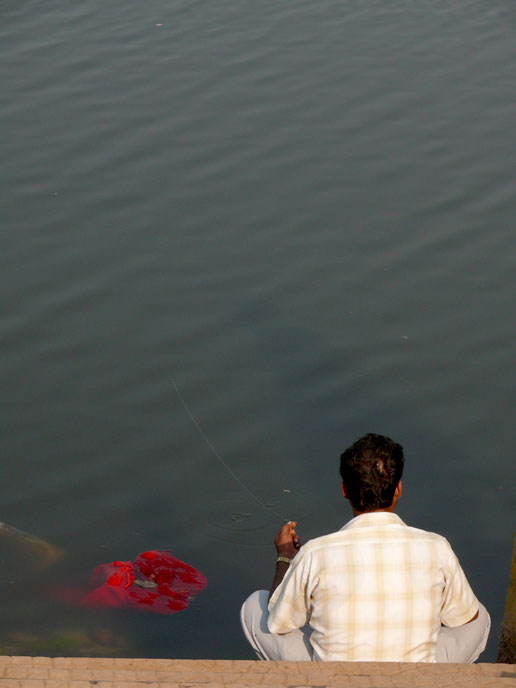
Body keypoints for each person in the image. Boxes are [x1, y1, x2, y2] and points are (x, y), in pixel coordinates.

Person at [240, 433, 490, 663]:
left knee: (255, 605)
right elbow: (468, 618)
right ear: (398, 489)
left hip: (332, 679)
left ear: (344, 490)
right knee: (480, 617)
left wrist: (285, 557)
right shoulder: (437, 547)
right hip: (415, 679)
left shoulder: (315, 553)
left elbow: (277, 622)